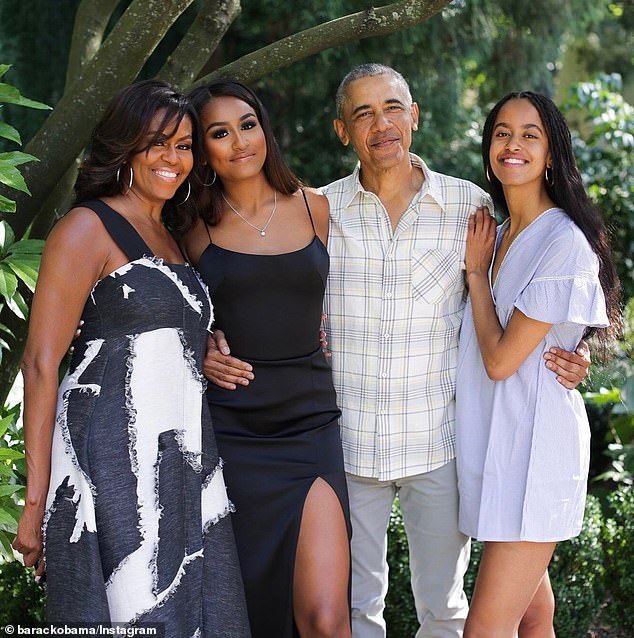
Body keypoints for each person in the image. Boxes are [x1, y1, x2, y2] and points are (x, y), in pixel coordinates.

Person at [204, 65, 591, 637]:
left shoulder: (472, 209)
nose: (380, 124)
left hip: (438, 445)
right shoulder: (318, 211)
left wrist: (576, 347)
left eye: (391, 108)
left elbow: (538, 278)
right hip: (346, 447)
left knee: (446, 611)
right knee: (357, 613)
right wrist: (208, 339)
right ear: (342, 130)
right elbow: (262, 285)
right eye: (362, 113)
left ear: (415, 117)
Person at [12, 80, 250, 635]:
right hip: (110, 459)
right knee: (134, 607)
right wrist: (35, 501)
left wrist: (207, 347)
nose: (173, 158)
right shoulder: (85, 228)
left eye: (185, 145)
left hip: (180, 455)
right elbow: (41, 365)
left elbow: (166, 336)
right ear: (125, 147)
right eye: (157, 143)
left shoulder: (172, 235)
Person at [179, 80, 351, 638]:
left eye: (247, 124)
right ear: (203, 149)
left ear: (265, 129)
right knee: (250, 613)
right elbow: (163, 310)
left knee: (326, 619)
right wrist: (198, 347)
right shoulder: (190, 228)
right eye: (219, 133)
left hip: (310, 426)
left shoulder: (316, 207)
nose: (239, 141)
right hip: (232, 432)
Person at [456, 92, 620, 638]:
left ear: (551, 153)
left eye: (530, 134)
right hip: (498, 443)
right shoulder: (498, 235)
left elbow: (501, 360)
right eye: (502, 132)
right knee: (532, 613)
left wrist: (476, 277)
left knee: (484, 629)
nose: (514, 144)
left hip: (535, 451)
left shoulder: (562, 242)